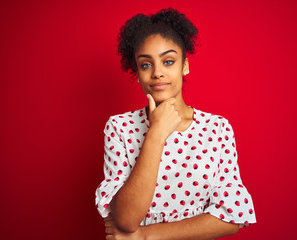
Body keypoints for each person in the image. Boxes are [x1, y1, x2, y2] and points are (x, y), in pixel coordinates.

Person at [95, 8, 256, 239]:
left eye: (168, 61)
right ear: (137, 73)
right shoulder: (119, 128)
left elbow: (233, 217)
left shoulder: (217, 128)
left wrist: (143, 236)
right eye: (146, 65)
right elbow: (126, 219)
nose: (157, 73)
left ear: (184, 66)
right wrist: (157, 133)